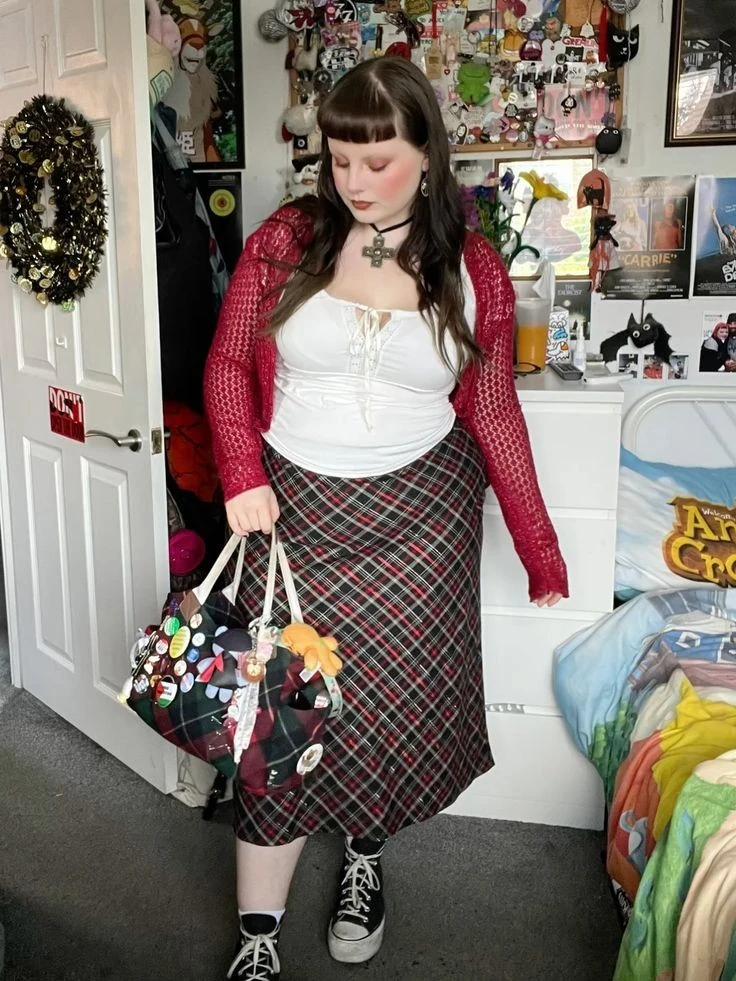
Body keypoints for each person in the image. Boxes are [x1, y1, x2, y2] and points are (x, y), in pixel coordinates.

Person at [204, 57, 568, 981]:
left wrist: (540, 547)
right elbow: (227, 364)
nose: (354, 182)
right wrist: (241, 470)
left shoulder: (473, 266)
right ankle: (258, 936)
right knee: (277, 726)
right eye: (339, 161)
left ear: (427, 154)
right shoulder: (287, 239)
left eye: (378, 162)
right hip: (291, 515)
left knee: (382, 713)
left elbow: (494, 410)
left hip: (419, 522)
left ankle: (364, 860)